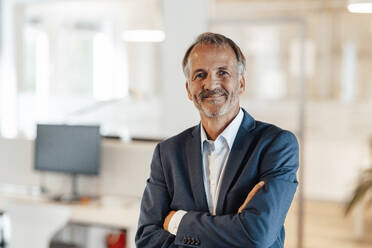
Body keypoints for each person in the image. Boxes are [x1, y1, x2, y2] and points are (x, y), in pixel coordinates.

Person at [135, 32, 299, 248]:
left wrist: (177, 221)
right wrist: (235, 229)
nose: (211, 84)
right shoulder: (168, 153)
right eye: (200, 75)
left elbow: (257, 235)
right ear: (188, 89)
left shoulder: (276, 145)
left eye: (223, 73)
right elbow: (147, 238)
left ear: (241, 83)